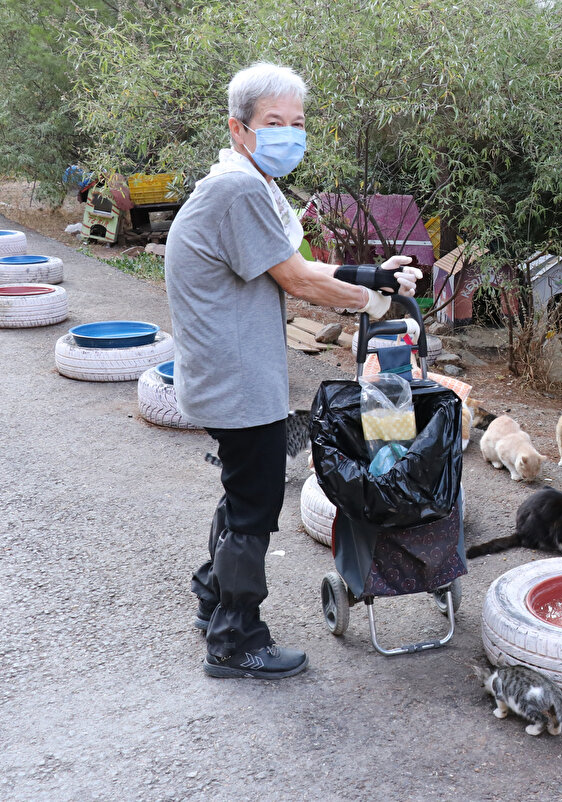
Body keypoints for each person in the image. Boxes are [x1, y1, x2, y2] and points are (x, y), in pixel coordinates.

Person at [164, 62, 421, 679]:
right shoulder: (239, 192)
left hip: (228, 371)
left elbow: (300, 264)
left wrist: (372, 276)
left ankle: (212, 594)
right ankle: (235, 639)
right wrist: (375, 300)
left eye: (296, 123)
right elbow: (300, 280)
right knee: (254, 507)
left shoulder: (248, 186)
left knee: (241, 492)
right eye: (272, 122)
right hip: (237, 379)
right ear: (239, 129)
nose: (287, 134)